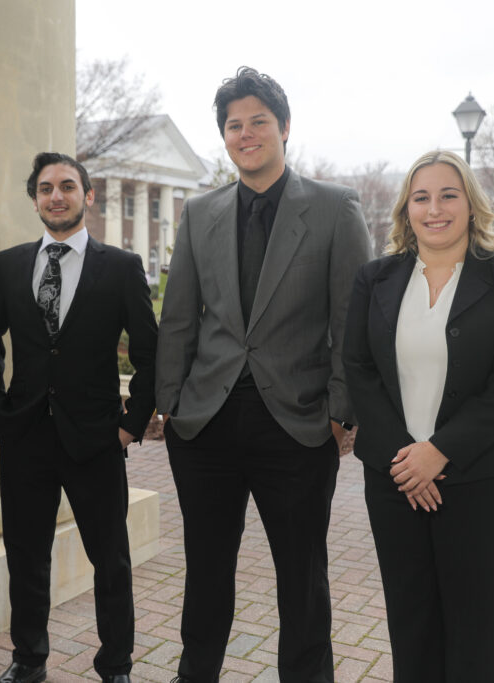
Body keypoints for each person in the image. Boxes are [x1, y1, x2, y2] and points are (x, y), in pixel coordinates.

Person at [155, 66, 371, 682]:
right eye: (233, 125)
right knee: (206, 572)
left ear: (284, 128)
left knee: (302, 579)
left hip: (298, 427)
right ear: (223, 137)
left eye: (257, 122)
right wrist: (169, 404)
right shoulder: (200, 213)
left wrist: (340, 409)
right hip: (206, 427)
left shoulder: (334, 208)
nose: (245, 134)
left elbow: (349, 320)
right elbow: (178, 318)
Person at [343, 150, 494, 682]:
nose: (435, 208)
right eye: (421, 197)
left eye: (448, 195)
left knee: (478, 623)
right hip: (394, 479)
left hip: (483, 480)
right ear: (406, 210)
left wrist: (440, 451)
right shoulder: (375, 279)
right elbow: (359, 369)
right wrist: (408, 460)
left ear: (471, 205)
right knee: (410, 620)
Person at [0, 152, 157, 683]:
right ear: (35, 198)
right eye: (46, 188)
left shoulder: (121, 267)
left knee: (111, 560)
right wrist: (0, 415)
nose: (57, 195)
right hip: (25, 436)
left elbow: (150, 351)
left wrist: (130, 424)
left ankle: (115, 665)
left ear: (88, 196)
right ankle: (28, 660)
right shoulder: (9, 265)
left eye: (68, 186)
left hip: (97, 439)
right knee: (26, 558)